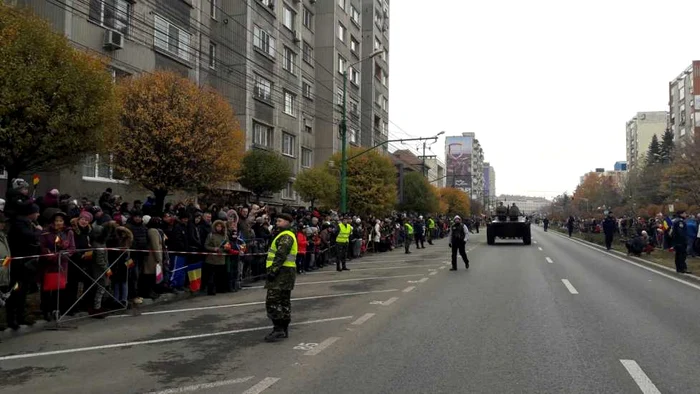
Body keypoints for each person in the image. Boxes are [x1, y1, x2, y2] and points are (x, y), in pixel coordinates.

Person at [264, 213, 298, 342]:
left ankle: (279, 328)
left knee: (273, 301)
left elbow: (281, 254)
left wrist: (273, 270)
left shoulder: (286, 236)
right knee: (284, 300)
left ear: (287, 222)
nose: (277, 223)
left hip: (281, 272)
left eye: (280, 221)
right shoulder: (286, 235)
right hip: (286, 271)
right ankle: (283, 329)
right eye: (277, 221)